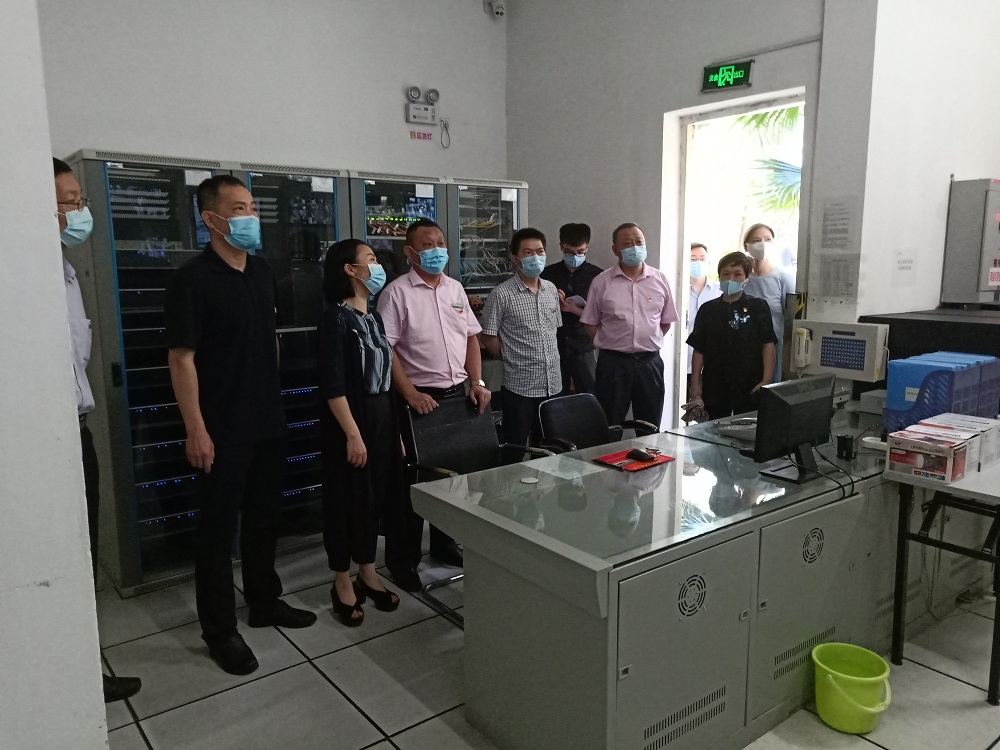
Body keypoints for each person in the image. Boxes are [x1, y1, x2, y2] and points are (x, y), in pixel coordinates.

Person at [165, 175, 316, 676]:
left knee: (264, 518)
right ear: (211, 219)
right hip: (220, 425)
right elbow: (182, 358)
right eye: (238, 209)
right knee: (216, 531)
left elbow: (269, 338)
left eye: (252, 207)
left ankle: (264, 601)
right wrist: (196, 429)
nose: (250, 217)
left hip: (266, 416)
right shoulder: (192, 279)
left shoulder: (261, 270)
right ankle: (220, 630)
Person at [53, 157, 142, 703]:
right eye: (68, 201)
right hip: (44, 443)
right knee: (57, 558)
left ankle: (80, 671)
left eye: (79, 200)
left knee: (80, 552)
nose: (79, 210)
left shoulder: (63, 271)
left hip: (75, 429)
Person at [376, 218, 490, 591]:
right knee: (414, 483)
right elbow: (387, 349)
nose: (437, 250)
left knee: (453, 479)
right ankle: (403, 560)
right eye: (428, 245)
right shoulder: (396, 294)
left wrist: (477, 382)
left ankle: (444, 545)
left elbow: (471, 338)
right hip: (419, 399)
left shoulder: (455, 288)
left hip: (458, 395)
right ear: (410, 253)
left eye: (440, 242)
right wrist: (409, 393)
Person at [318, 239, 402, 626]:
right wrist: (353, 434)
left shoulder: (374, 318)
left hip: (382, 415)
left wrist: (393, 431)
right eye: (370, 260)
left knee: (374, 497)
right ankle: (341, 579)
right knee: (345, 499)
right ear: (350, 270)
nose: (378, 265)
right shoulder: (335, 319)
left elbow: (385, 377)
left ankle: (368, 570)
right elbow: (333, 385)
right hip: (350, 419)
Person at [581, 223, 678, 430]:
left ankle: (649, 453)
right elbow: (590, 324)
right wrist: (613, 342)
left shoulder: (659, 279)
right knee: (609, 426)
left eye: (639, 242)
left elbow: (666, 321)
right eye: (627, 244)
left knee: (649, 427)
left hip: (649, 364)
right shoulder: (601, 282)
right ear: (615, 250)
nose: (635, 247)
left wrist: (645, 340)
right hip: (613, 365)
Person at [481, 227, 562, 448]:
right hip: (520, 386)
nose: (536, 257)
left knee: (550, 447)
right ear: (516, 258)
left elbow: (554, 331)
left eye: (540, 251)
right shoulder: (501, 294)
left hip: (553, 384)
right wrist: (511, 357)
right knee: (515, 446)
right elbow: (488, 336)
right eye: (528, 252)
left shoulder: (551, 289)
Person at [687, 252, 776, 420]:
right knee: (712, 430)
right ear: (719, 276)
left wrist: (766, 380)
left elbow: (768, 344)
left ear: (746, 278)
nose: (731, 279)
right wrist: (695, 385)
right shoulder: (708, 310)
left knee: (748, 429)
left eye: (737, 274)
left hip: (750, 384)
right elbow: (699, 350)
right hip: (715, 385)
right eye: (726, 274)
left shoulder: (758, 307)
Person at [540, 223, 602, 395]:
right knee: (555, 396)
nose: (575, 256)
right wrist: (552, 301)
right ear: (561, 246)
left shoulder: (598, 276)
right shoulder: (547, 274)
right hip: (554, 345)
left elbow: (604, 316)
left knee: (589, 394)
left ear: (587, 248)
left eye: (580, 251)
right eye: (569, 251)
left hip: (584, 345)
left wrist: (575, 309)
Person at [742, 223, 796, 382]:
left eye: (768, 239)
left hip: (773, 350)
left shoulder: (784, 279)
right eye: (756, 240)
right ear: (747, 245)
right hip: (743, 348)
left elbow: (791, 320)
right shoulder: (740, 279)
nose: (763, 244)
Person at [687, 242, 721, 395]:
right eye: (693, 259)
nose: (698, 263)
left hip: (711, 362)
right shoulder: (678, 291)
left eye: (702, 258)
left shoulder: (719, 291)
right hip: (684, 361)